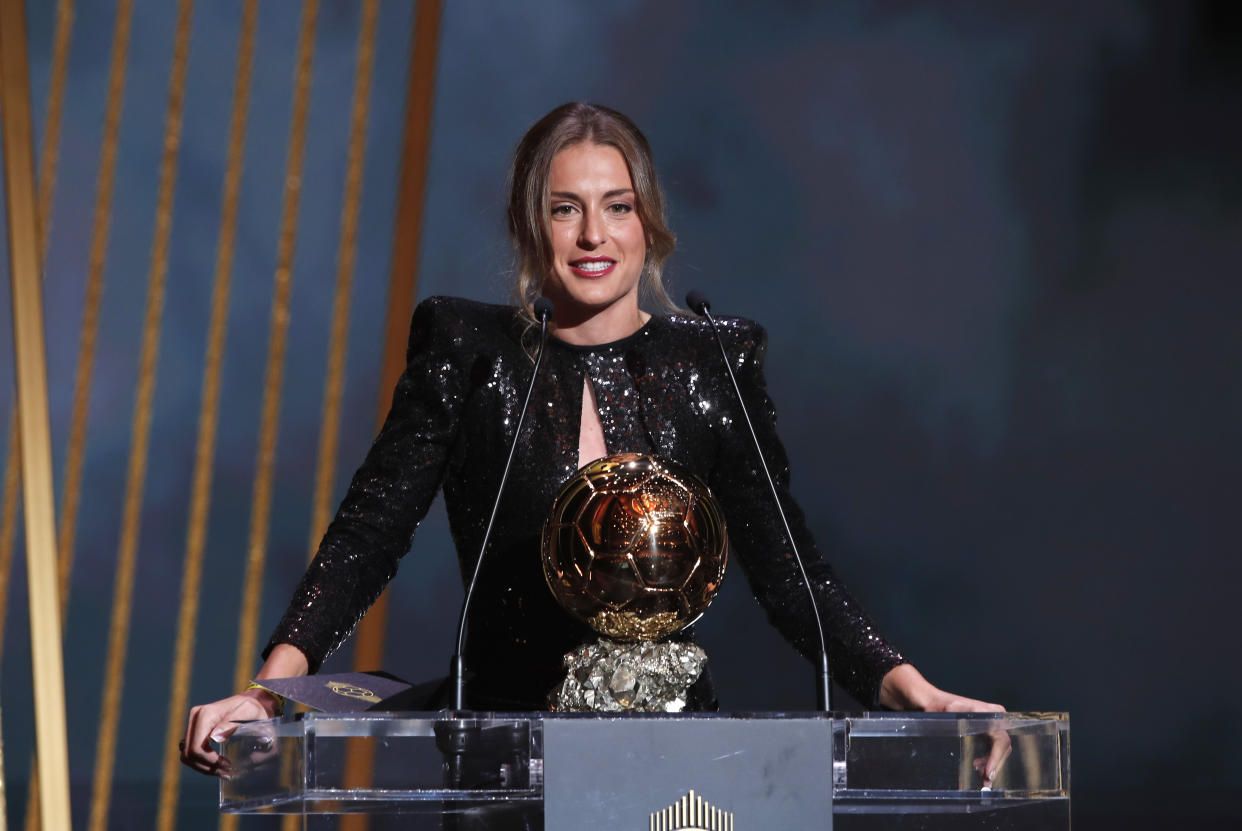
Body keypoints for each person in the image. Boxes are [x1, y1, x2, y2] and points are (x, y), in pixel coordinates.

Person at [181, 102, 1004, 780]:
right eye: (564, 207)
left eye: (617, 205)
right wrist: (268, 692)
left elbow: (790, 569)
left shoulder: (712, 362)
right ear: (527, 226)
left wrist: (915, 692)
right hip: (506, 765)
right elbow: (368, 534)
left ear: (649, 222)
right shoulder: (471, 353)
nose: (592, 236)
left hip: (677, 766)